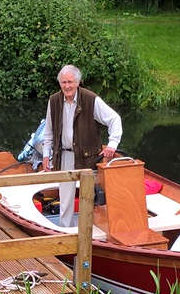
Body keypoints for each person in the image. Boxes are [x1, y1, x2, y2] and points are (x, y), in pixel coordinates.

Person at [42, 65, 122, 227]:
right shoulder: (54, 101)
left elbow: (114, 119)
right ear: (59, 83)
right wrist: (46, 154)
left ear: (77, 82)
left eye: (70, 82)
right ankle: (66, 231)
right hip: (63, 156)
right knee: (65, 199)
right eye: (63, 82)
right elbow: (49, 131)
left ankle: (91, 229)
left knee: (90, 197)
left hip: (88, 158)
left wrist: (112, 144)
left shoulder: (91, 99)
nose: (67, 86)